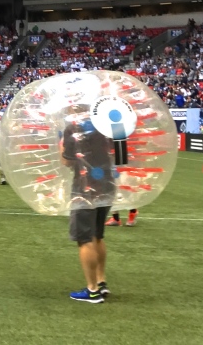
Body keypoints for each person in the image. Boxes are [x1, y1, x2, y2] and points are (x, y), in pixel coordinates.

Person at [61, 103, 115, 304]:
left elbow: (67, 161)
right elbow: (121, 155)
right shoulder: (110, 125)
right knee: (98, 235)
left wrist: (63, 146)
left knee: (85, 239)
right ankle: (101, 282)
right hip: (107, 184)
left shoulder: (73, 128)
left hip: (84, 187)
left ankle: (92, 291)